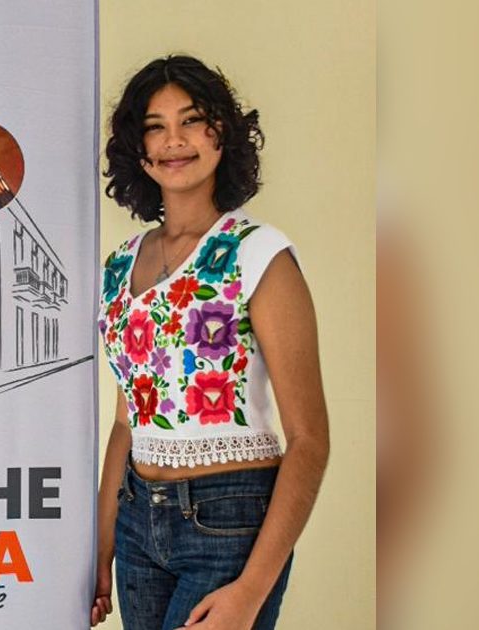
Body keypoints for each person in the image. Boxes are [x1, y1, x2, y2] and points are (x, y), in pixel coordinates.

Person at [91, 56, 329, 630]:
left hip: (229, 521)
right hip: (136, 525)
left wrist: (250, 591)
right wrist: (101, 549)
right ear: (138, 148)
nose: (174, 140)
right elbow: (127, 422)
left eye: (192, 120)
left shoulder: (258, 253)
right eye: (155, 126)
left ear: (222, 132)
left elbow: (309, 439)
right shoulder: (120, 265)